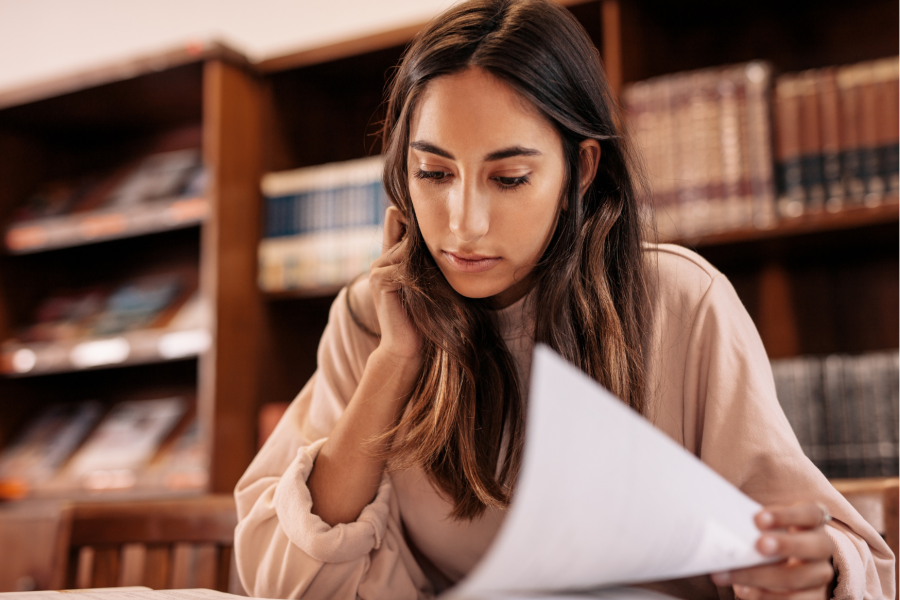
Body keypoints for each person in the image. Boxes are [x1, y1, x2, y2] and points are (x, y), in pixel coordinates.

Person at [234, 1, 895, 598]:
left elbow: (836, 557)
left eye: (510, 177)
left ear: (580, 170)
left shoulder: (681, 303)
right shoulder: (372, 318)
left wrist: (814, 570)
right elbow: (282, 578)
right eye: (433, 173)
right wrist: (394, 363)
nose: (464, 223)